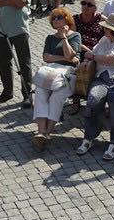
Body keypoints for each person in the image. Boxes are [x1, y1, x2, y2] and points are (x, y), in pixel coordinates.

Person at [32, 8, 82, 149]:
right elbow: (46, 57)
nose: (56, 20)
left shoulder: (75, 36)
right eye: (53, 18)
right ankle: (41, 131)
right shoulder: (50, 38)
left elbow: (71, 55)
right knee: (40, 92)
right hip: (51, 71)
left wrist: (64, 37)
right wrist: (65, 58)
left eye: (59, 17)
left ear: (67, 19)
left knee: (56, 97)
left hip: (68, 74)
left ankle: (48, 133)